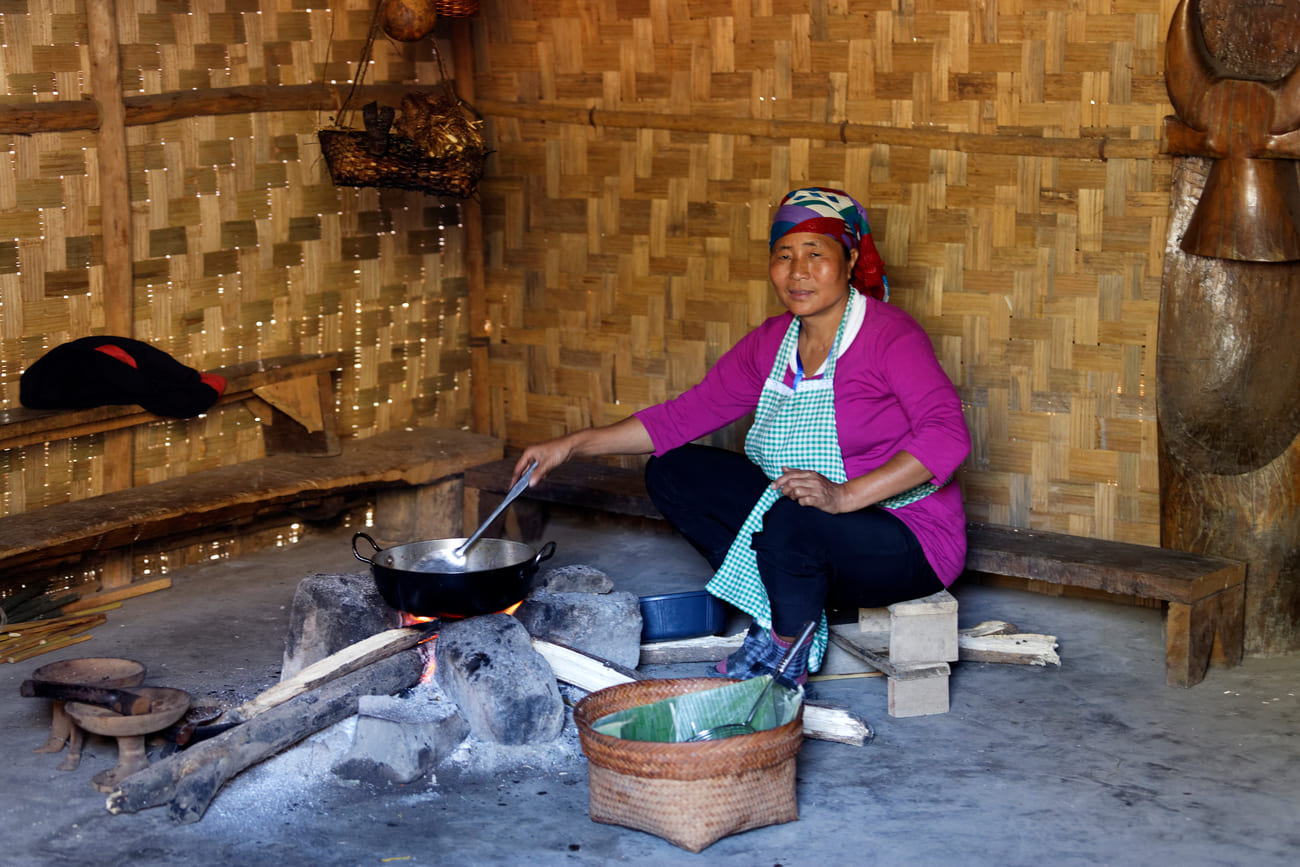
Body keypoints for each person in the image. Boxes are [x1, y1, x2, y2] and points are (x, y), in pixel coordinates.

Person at [512, 187, 971, 687]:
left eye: (816, 254)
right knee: (675, 470)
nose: (798, 271)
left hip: (904, 537)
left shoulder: (889, 336)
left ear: (851, 258)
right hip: (807, 522)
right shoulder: (772, 342)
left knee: (797, 514)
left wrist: (845, 496)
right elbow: (679, 418)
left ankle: (783, 647)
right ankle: (788, 594)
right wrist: (571, 445)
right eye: (784, 255)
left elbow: (947, 436)